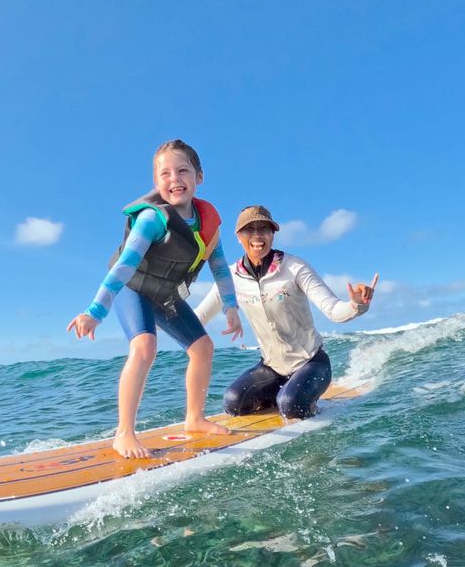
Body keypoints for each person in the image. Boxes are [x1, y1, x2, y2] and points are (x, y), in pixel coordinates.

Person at [68, 139, 243, 458]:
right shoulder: (152, 219)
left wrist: (231, 307)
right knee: (145, 346)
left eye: (183, 171)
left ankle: (194, 418)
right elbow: (123, 268)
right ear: (155, 181)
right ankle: (124, 434)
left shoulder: (209, 224)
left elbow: (219, 266)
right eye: (165, 173)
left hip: (164, 294)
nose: (174, 179)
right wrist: (95, 311)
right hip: (133, 288)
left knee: (203, 348)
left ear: (198, 177)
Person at [195, 205, 378, 420]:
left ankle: (298, 400)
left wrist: (356, 304)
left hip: (311, 363)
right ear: (238, 236)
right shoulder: (231, 278)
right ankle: (286, 394)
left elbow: (334, 310)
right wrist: (158, 315)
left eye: (264, 228)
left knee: (290, 405)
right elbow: (199, 316)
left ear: (273, 234)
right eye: (249, 229)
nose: (257, 235)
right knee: (234, 403)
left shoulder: (295, 268)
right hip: (271, 368)